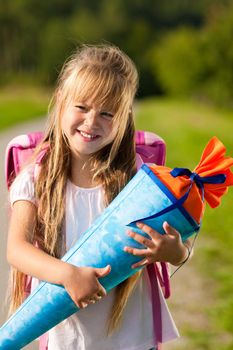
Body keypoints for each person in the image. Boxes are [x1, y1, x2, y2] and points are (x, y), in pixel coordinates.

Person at [7, 44, 192, 350]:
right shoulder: (35, 177)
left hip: (133, 337)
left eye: (107, 113)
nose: (92, 122)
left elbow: (180, 249)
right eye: (82, 107)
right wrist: (67, 275)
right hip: (68, 339)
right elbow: (17, 250)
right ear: (61, 102)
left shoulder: (138, 176)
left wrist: (175, 252)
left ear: (124, 118)